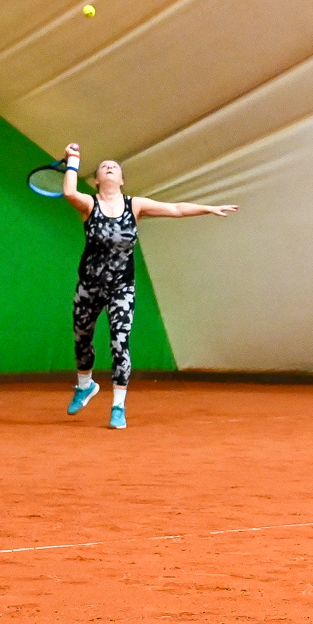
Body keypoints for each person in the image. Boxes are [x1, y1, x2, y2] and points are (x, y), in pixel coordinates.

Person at [59, 142, 237, 428]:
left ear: (122, 180)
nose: (109, 168)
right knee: (82, 339)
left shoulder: (136, 205)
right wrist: (73, 159)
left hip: (122, 287)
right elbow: (69, 192)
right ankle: (85, 385)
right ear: (96, 180)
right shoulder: (89, 204)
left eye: (114, 167)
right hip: (89, 285)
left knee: (120, 343)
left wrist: (208, 208)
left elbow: (176, 209)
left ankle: (118, 406)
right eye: (103, 167)